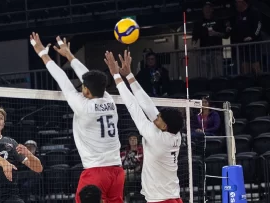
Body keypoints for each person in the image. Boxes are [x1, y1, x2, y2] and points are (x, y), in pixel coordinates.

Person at [29, 33, 124, 203]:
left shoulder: (83, 106)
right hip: (117, 171)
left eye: (83, 87)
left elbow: (62, 78)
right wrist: (69, 55)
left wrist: (42, 53)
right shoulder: (109, 99)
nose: (81, 89)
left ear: (87, 89)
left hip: (96, 172)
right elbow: (89, 77)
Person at [104, 50, 184, 203]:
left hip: (161, 201)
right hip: (172, 197)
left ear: (164, 125)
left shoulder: (156, 137)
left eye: (159, 118)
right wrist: (129, 76)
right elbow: (148, 104)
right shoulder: (174, 134)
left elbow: (134, 107)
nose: (156, 117)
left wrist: (116, 76)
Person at [192, 1, 227, 77]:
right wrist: (194, 45)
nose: (207, 10)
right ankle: (207, 88)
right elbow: (194, 37)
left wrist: (216, 33)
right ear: (203, 10)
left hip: (217, 51)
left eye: (209, 8)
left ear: (212, 9)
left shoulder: (218, 20)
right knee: (205, 75)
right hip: (204, 52)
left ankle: (219, 87)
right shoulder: (198, 22)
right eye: (205, 8)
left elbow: (225, 35)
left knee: (219, 75)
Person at [228, 0, 262, 74]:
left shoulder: (253, 11)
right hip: (242, 45)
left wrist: (252, 37)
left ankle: (260, 81)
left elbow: (258, 26)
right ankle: (247, 83)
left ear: (242, 2)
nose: (236, 4)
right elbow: (236, 28)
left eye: (237, 2)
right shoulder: (238, 14)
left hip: (253, 44)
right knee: (244, 66)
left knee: (255, 65)